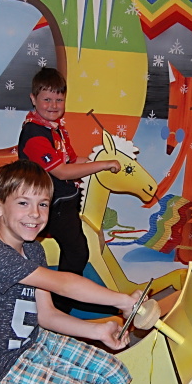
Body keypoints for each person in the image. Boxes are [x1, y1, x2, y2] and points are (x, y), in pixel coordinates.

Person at [0, 159, 141, 384]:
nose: (35, 214)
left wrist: (98, 330)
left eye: (42, 204)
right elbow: (64, 284)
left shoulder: (33, 249)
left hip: (33, 339)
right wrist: (122, 301)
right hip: (2, 363)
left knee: (115, 374)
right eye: (23, 203)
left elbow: (46, 315)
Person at [18, 67, 121, 314]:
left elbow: (73, 160)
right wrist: (104, 165)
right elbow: (63, 171)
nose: (53, 105)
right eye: (47, 99)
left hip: (65, 201)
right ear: (33, 99)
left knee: (77, 250)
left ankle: (68, 296)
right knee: (77, 252)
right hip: (51, 205)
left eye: (59, 100)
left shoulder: (55, 129)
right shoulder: (34, 134)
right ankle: (61, 304)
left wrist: (101, 158)